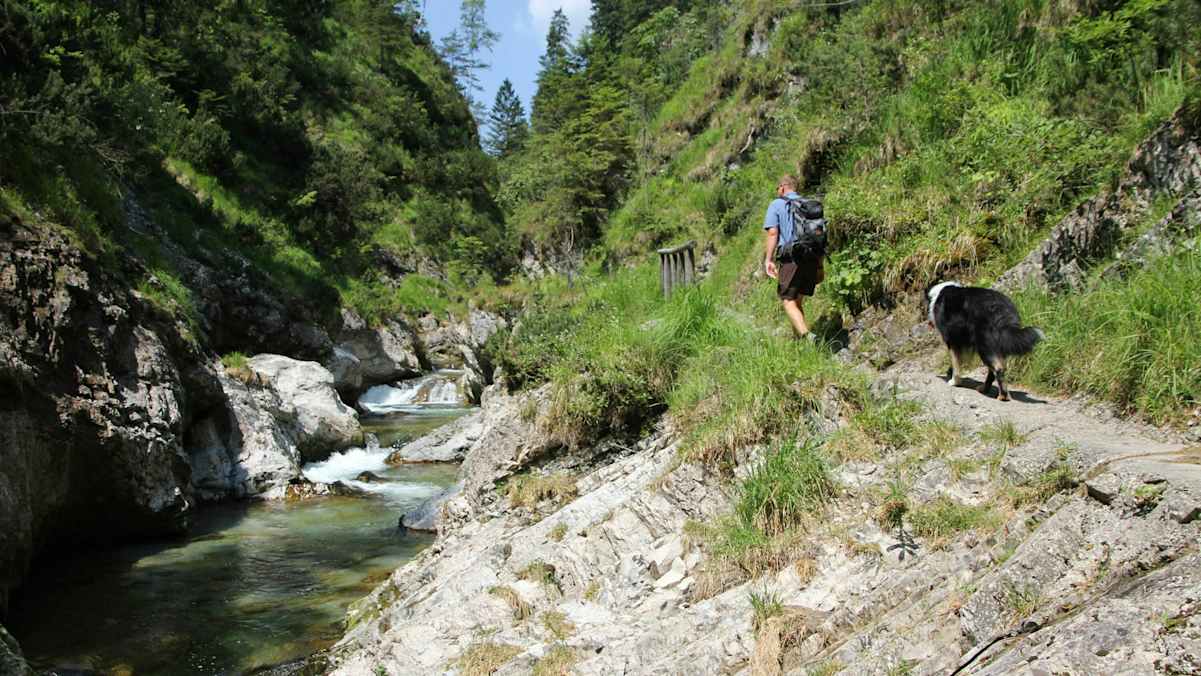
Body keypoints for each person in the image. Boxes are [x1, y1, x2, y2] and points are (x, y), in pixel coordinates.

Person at [763, 174, 824, 339]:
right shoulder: (809, 205)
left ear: (782, 187)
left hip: (792, 258)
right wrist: (820, 265)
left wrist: (768, 260)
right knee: (796, 301)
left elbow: (773, 232)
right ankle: (800, 342)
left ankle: (807, 336)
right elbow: (819, 236)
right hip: (812, 257)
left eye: (777, 189)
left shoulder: (777, 204)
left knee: (788, 301)